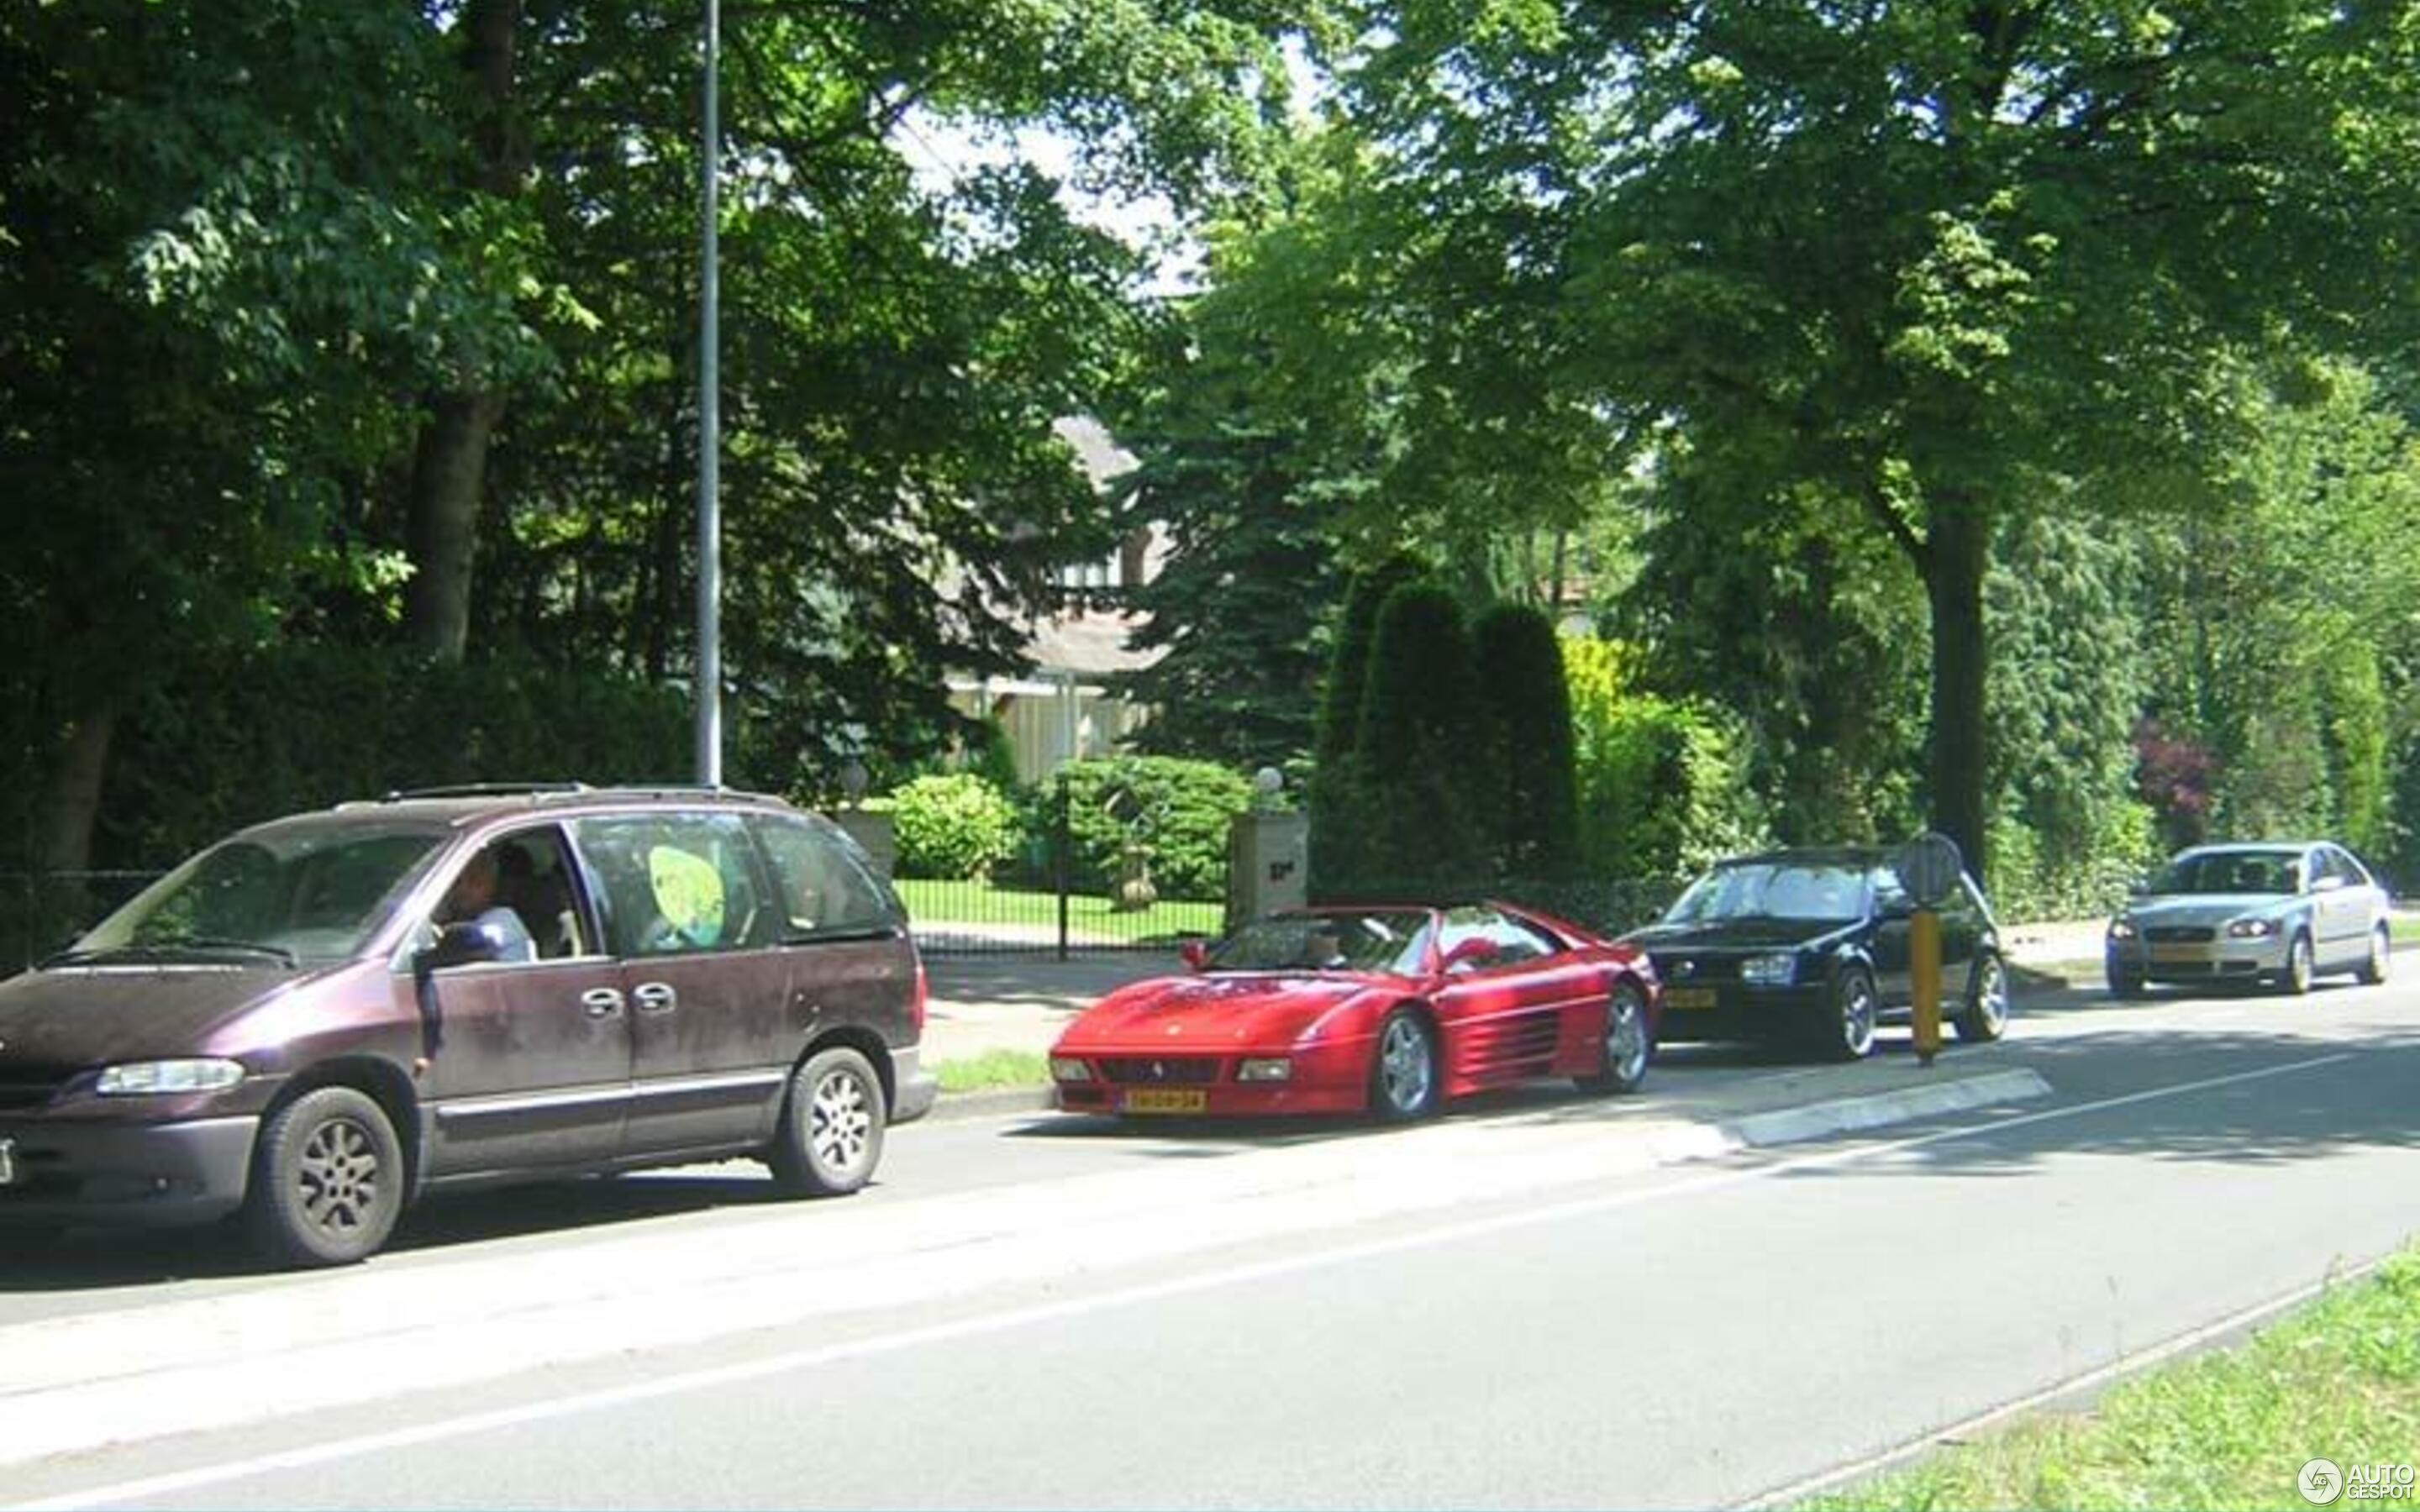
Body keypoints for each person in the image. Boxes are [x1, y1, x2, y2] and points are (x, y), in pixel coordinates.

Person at [437, 848, 536, 963]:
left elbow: (466, 942)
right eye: (456, 882)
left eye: (474, 881)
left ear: (490, 884)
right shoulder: (459, 917)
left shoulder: (504, 920)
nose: (463, 889)